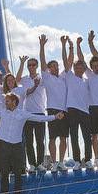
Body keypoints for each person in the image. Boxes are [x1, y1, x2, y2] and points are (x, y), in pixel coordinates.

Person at [0, 91, 31, 194]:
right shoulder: (3, 111)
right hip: (5, 146)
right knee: (4, 173)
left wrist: (54, 117)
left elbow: (38, 118)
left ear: (14, 102)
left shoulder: (22, 113)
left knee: (18, 173)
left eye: (8, 101)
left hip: (17, 147)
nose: (5, 103)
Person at [40, 40, 68, 169]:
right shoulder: (47, 77)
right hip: (52, 111)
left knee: (63, 138)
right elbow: (42, 62)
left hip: (64, 111)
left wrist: (64, 45)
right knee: (52, 138)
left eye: (57, 65)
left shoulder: (63, 77)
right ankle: (54, 163)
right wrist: (42, 46)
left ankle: (61, 162)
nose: (56, 67)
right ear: (49, 69)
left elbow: (68, 61)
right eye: (54, 66)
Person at [20, 53, 48, 171]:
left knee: (40, 140)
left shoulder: (42, 78)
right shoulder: (24, 79)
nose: (31, 67)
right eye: (29, 65)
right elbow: (15, 80)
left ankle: (40, 163)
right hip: (27, 113)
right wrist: (22, 63)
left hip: (40, 112)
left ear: (37, 66)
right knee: (29, 141)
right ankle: (31, 164)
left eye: (33, 65)